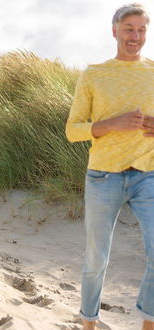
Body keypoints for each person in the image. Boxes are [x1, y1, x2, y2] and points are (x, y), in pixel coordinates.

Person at [66, 3, 154, 330]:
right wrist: (113, 122)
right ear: (114, 30)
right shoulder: (94, 74)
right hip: (104, 176)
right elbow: (73, 130)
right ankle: (89, 322)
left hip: (149, 174)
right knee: (95, 259)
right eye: (129, 29)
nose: (136, 36)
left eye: (142, 29)